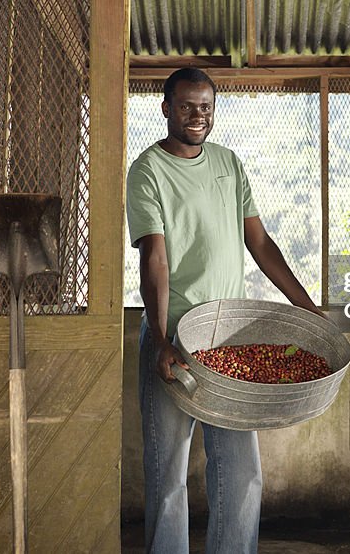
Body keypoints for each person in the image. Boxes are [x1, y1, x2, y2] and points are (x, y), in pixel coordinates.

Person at [126, 67, 323, 554]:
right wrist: (162, 336)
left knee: (241, 473)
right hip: (174, 342)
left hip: (227, 342)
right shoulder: (147, 170)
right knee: (167, 476)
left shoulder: (229, 165)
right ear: (166, 107)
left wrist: (307, 306)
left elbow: (259, 241)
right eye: (188, 106)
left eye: (207, 107)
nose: (198, 116)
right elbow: (155, 256)